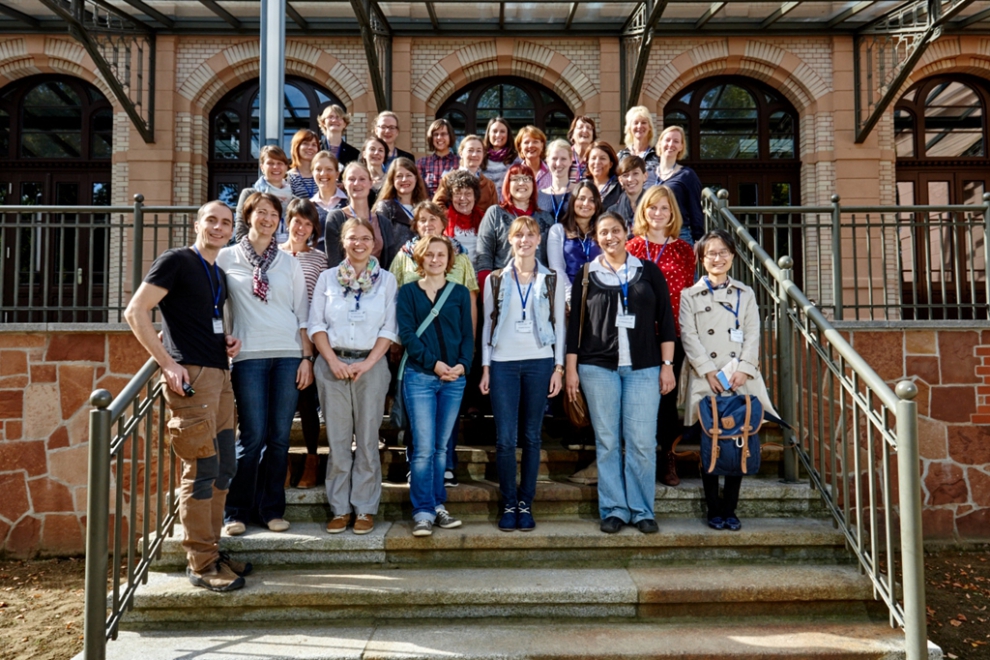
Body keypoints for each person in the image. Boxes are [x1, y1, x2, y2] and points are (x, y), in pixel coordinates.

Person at [124, 201, 247, 592]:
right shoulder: (175, 260)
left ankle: (213, 548)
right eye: (212, 220)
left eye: (226, 222)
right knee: (202, 469)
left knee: (225, 465)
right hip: (191, 378)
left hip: (220, 374)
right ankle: (201, 563)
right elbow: (135, 311)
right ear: (197, 224)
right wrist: (166, 363)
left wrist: (224, 340)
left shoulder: (217, 272)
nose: (219, 227)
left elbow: (199, 319)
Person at [565, 212, 676, 535]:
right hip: (597, 368)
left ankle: (642, 510)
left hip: (644, 368)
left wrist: (667, 366)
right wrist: (571, 369)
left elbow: (666, 321)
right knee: (608, 441)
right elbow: (574, 328)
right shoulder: (587, 273)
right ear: (596, 238)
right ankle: (614, 508)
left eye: (615, 230)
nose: (610, 237)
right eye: (603, 232)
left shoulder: (648, 271)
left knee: (641, 442)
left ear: (627, 232)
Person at [218, 192, 314, 536]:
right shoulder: (226, 258)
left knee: (279, 438)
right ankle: (236, 511)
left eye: (274, 214)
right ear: (249, 216)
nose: (268, 219)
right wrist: (222, 338)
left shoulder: (289, 263)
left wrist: (306, 358)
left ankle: (271, 509)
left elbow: (302, 313)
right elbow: (216, 306)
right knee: (252, 436)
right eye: (261, 212)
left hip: (288, 355)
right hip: (248, 357)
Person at [680, 229, 778, 532]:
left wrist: (744, 369)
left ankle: (730, 509)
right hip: (706, 378)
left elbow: (752, 333)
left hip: (739, 378)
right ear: (702, 258)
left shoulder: (745, 293)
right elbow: (689, 336)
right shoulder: (689, 295)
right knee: (710, 441)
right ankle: (713, 508)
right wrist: (708, 371)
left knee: (739, 437)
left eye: (723, 252)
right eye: (711, 253)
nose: (718, 258)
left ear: (733, 256)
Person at [309, 218, 398, 535]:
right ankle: (340, 509)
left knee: (368, 440)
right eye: (352, 238)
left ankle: (364, 508)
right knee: (338, 441)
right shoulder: (327, 278)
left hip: (371, 366)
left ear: (374, 243)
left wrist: (368, 363)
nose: (359, 243)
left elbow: (389, 327)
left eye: (365, 238)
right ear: (342, 242)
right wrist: (332, 361)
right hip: (332, 364)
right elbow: (316, 325)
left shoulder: (387, 281)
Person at [480, 216, 566, 532]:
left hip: (539, 362)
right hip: (503, 363)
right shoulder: (495, 279)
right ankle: (508, 502)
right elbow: (487, 325)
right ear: (510, 240)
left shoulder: (551, 279)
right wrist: (486, 367)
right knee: (505, 439)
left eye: (530, 235)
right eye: (519, 235)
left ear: (539, 240)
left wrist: (559, 367)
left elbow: (560, 325)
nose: (525, 240)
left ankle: (525, 503)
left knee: (531, 436)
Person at [396, 234, 474, 537]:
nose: (435, 259)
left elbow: (467, 334)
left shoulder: (459, 293)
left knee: (441, 448)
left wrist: (463, 365)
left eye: (441, 255)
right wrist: (434, 364)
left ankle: (438, 504)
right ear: (420, 258)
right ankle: (422, 511)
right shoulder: (408, 292)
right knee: (424, 448)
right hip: (420, 377)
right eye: (429, 254)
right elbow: (407, 335)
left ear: (449, 260)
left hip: (454, 379)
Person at [626, 186, 696, 487]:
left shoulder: (684, 251)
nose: (658, 213)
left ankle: (667, 456)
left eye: (664, 208)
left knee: (667, 398)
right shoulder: (631, 249)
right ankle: (637, 458)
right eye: (652, 207)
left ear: (672, 214)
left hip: (672, 334)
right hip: (638, 335)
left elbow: (688, 293)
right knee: (637, 397)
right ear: (644, 211)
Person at [279, 199, 329, 490]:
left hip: (307, 338)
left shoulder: (320, 259)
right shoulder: (273, 254)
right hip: (276, 335)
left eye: (308, 223)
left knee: (306, 401)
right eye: (297, 221)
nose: (301, 228)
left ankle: (312, 460)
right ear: (288, 221)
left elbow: (321, 301)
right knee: (280, 404)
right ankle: (281, 462)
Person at [475, 164, 554, 283]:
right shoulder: (495, 213)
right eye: (516, 179)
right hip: (502, 284)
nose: (521, 183)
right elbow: (484, 255)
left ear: (533, 184)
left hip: (538, 284)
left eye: (526, 179)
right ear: (508, 184)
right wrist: (486, 288)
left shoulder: (546, 218)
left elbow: (552, 260)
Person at [324, 162, 398, 270]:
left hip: (379, 279)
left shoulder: (384, 222)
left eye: (362, 179)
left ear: (370, 183)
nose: (357, 183)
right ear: (344, 184)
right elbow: (334, 260)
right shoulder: (335, 218)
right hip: (344, 278)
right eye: (351, 179)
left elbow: (390, 262)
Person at [547, 180, 603, 304]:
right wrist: (571, 296)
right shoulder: (558, 230)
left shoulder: (602, 231)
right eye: (581, 198)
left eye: (592, 200)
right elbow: (556, 268)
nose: (586, 204)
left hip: (598, 297)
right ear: (573, 201)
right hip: (567, 298)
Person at [235, 145, 294, 243]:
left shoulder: (294, 200)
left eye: (280, 163)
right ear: (262, 167)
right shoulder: (249, 195)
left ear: (286, 167)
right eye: (270, 163)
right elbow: (241, 233)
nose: (275, 167)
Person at [655, 125, 703, 243]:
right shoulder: (647, 174)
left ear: (681, 147)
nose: (671, 144)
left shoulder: (687, 175)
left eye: (676, 141)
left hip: (679, 235)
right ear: (660, 143)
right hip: (651, 235)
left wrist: (698, 239)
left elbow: (695, 209)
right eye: (667, 140)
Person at [433, 134, 498, 216]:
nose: (474, 154)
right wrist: (452, 218)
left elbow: (495, 213)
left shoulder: (489, 185)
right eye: (470, 150)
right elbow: (437, 204)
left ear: (483, 154)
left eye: (478, 151)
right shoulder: (448, 178)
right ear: (461, 153)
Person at [375, 157, 429, 248]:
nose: (404, 179)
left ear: (416, 178)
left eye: (409, 175)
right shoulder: (386, 207)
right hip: (396, 257)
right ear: (392, 180)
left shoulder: (425, 207)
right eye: (399, 176)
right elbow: (380, 241)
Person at [439, 169, 484, 265]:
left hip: (478, 272)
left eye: (468, 194)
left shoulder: (484, 220)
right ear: (451, 197)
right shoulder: (442, 220)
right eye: (457, 193)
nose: (462, 198)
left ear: (475, 197)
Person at [310, 150, 348, 251]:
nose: (323, 173)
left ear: (337, 174)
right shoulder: (308, 207)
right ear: (312, 173)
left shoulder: (349, 203)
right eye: (318, 169)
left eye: (329, 169)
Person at [416, 118, 460, 197]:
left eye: (443, 134)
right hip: (428, 204)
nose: (439, 137)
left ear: (450, 136)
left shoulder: (459, 162)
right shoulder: (421, 163)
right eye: (436, 134)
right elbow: (417, 190)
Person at [617, 106, 659, 178]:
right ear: (629, 128)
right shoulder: (621, 156)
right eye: (636, 123)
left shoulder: (658, 156)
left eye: (644, 122)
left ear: (649, 127)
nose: (639, 126)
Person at [607, 155, 649, 226]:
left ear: (645, 176)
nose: (630, 179)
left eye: (635, 173)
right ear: (620, 180)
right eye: (625, 175)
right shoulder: (612, 212)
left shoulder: (654, 207)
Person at [538, 139, 572, 224]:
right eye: (554, 158)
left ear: (571, 161)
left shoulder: (580, 192)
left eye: (563, 159)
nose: (558, 163)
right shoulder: (538, 196)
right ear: (547, 161)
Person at [318, 104, 360, 168]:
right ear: (323, 123)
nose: (334, 120)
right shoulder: (316, 149)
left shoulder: (354, 153)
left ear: (345, 124)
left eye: (338, 117)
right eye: (330, 117)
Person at [481, 117, 516, 194]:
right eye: (494, 131)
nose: (498, 135)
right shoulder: (480, 157)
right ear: (488, 134)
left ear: (508, 135)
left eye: (502, 131)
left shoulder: (516, 160)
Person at [585, 140, 622, 209]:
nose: (597, 162)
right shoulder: (583, 186)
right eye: (593, 158)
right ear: (588, 162)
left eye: (602, 158)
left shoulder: (620, 187)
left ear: (611, 164)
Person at [514, 126, 552, 191]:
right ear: (520, 147)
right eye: (526, 142)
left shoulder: (552, 173)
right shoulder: (514, 174)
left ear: (542, 145)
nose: (531, 145)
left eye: (535, 142)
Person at [287, 129, 321, 199]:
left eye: (314, 145)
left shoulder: (322, 175)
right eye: (306, 143)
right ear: (296, 147)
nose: (310, 147)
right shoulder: (288, 178)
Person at [567, 116, 597, 183]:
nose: (585, 130)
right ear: (572, 134)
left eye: (589, 128)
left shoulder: (597, 158)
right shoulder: (565, 155)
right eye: (580, 127)